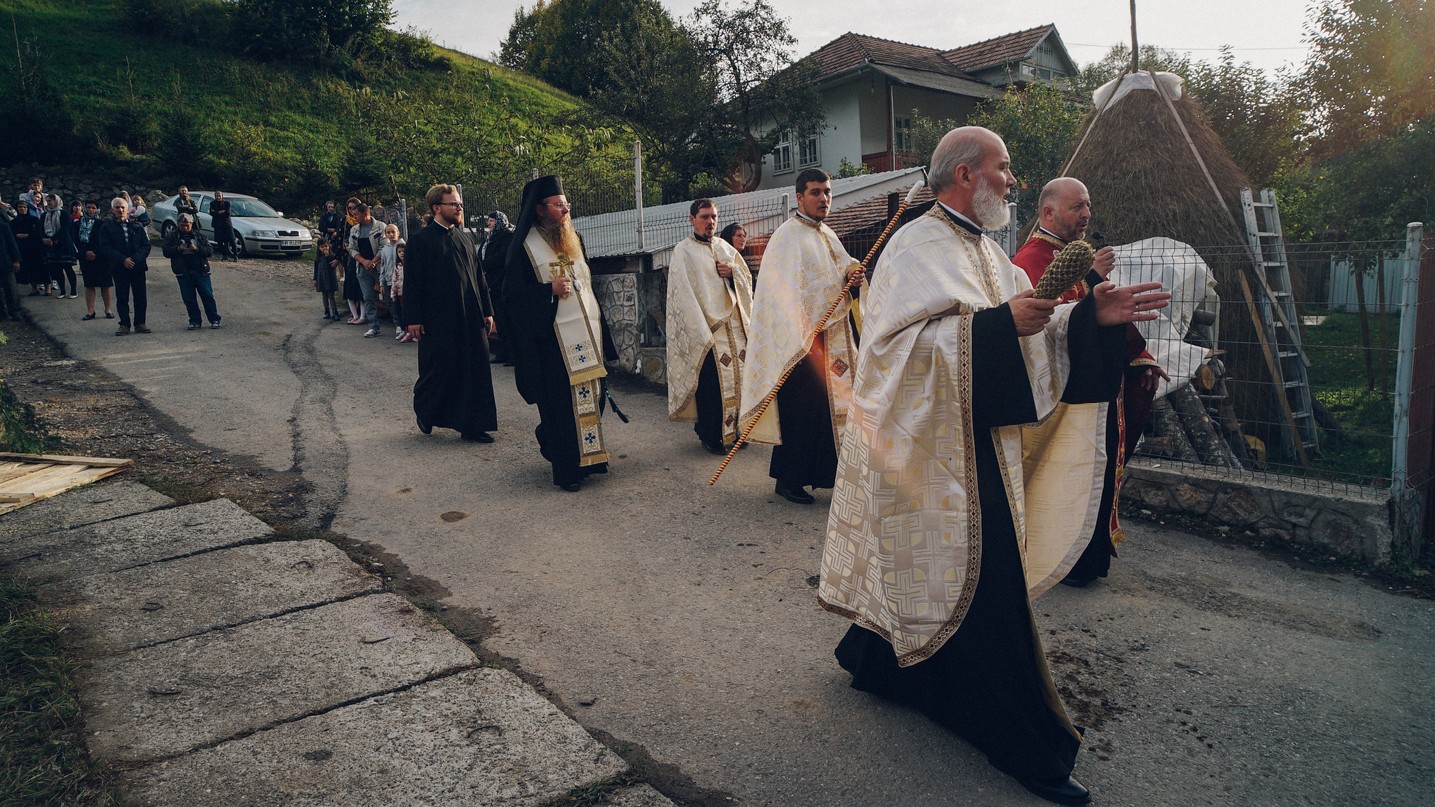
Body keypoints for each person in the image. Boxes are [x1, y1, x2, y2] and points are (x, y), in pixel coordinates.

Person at [818, 126, 1170, 807]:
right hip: (930, 459)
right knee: (986, 590)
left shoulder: (988, 251)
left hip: (979, 445)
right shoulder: (912, 247)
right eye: (1003, 169)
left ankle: (879, 661)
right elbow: (888, 360)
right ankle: (1026, 746)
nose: (1012, 181)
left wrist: (1084, 317)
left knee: (941, 580)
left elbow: (1032, 326)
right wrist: (993, 326)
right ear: (963, 176)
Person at [1012, 177, 1169, 588]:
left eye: (1088, 206)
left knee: (1091, 474)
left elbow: (1109, 314)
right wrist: (1090, 277)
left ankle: (1086, 554)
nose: (1085, 215)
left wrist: (1141, 359)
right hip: (1063, 400)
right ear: (1048, 213)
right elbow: (1048, 321)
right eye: (1076, 207)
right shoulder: (1030, 258)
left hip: (1098, 391)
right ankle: (1059, 556)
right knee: (1066, 475)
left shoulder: (1075, 256)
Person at [738, 168, 864, 505]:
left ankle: (824, 474)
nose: (823, 198)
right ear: (799, 197)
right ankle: (788, 480)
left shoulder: (826, 233)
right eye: (815, 193)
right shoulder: (787, 237)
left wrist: (853, 274)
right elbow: (786, 295)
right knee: (802, 413)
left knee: (827, 412)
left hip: (829, 340)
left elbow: (838, 270)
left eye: (827, 192)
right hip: (800, 344)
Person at [503, 174, 610, 491]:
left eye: (567, 205)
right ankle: (567, 472)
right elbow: (512, 299)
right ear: (539, 209)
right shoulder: (523, 249)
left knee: (592, 400)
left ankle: (590, 460)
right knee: (562, 409)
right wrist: (546, 290)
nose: (566, 211)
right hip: (551, 345)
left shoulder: (573, 240)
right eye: (559, 205)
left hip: (587, 339)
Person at [404, 184, 498, 443]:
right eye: (453, 204)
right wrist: (413, 318)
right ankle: (425, 410)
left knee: (475, 370)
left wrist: (488, 311)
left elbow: (479, 277)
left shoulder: (465, 237)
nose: (459, 208)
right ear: (437, 208)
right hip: (439, 319)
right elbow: (413, 282)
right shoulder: (420, 241)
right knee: (439, 370)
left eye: (460, 205)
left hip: (471, 317)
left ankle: (473, 425)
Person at [666, 198, 754, 454]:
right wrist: (701, 329)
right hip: (708, 331)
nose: (710, 222)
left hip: (734, 331)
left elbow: (746, 280)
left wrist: (733, 274)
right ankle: (711, 435)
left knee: (739, 382)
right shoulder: (683, 251)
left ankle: (738, 431)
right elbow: (682, 295)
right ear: (692, 219)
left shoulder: (727, 248)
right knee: (712, 387)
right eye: (704, 217)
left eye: (714, 217)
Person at [95, 196, 152, 335]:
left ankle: (140, 323)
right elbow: (105, 247)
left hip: (137, 267)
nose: (120, 210)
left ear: (128, 209)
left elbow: (146, 246)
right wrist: (122, 260)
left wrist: (134, 259)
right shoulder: (107, 228)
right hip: (119, 268)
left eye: (123, 207)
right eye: (117, 207)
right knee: (122, 297)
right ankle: (124, 324)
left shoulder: (137, 227)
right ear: (112, 210)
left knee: (140, 297)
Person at [162, 214, 221, 330]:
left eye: (187, 225)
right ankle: (194, 321)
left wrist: (197, 249)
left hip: (200, 270)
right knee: (189, 298)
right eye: (182, 225)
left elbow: (210, 251)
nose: (185, 228)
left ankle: (214, 319)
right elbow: (166, 251)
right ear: (178, 225)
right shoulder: (172, 236)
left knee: (207, 295)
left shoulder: (199, 236)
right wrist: (178, 249)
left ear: (191, 224)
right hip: (183, 271)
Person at [480, 211, 515, 363]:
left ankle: (512, 354)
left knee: (508, 320)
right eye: (488, 221)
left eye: (492, 221)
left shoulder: (508, 237)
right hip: (491, 284)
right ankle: (502, 352)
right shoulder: (489, 239)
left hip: (503, 283)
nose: (489, 224)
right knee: (499, 320)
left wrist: (484, 265)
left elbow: (502, 257)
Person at [348, 202, 385, 338]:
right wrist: (363, 261)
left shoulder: (380, 227)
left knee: (388, 297)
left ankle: (399, 326)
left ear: (365, 214)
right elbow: (351, 248)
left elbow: (384, 245)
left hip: (380, 267)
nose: (354, 216)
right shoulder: (355, 230)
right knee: (368, 297)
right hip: (363, 268)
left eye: (356, 214)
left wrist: (374, 261)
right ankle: (373, 327)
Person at [74, 200, 113, 320]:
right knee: (89, 285)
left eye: (93, 208)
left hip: (101, 258)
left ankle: (108, 309)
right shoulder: (77, 224)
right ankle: (90, 311)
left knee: (105, 285)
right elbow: (75, 241)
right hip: (85, 258)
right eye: (89, 207)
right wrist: (84, 253)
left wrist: (96, 253)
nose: (91, 210)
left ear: (97, 209)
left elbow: (105, 241)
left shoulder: (102, 224)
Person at [40, 194, 78, 299]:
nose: (49, 203)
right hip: (50, 246)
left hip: (63, 244)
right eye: (47, 201)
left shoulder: (64, 214)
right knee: (56, 269)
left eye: (51, 201)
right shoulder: (44, 215)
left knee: (67, 267)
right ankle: (62, 291)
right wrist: (44, 239)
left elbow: (65, 229)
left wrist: (53, 239)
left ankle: (74, 290)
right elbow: (41, 229)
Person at [10, 200, 45, 296]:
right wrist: (17, 235)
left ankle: (41, 287)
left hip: (33, 247)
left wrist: (27, 235)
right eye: (20, 207)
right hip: (20, 247)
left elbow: (38, 232)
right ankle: (30, 289)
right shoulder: (13, 222)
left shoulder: (34, 220)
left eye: (24, 207)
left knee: (36, 267)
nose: (22, 209)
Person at [378, 223, 403, 338]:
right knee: (391, 303)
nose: (391, 234)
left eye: (393, 232)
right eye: (388, 232)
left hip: (402, 281)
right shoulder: (384, 250)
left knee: (402, 303)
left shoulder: (404, 246)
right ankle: (397, 325)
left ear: (398, 232)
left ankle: (405, 325)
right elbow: (383, 266)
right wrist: (381, 283)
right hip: (389, 281)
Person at [313, 238, 343, 321]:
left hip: (330, 278)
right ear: (319, 248)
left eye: (326, 246)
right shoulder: (318, 258)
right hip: (321, 278)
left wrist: (327, 256)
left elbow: (332, 265)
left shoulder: (332, 256)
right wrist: (315, 279)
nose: (324, 248)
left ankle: (335, 312)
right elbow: (316, 269)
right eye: (322, 247)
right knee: (324, 295)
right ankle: (326, 311)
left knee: (331, 295)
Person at [209, 190, 235, 261]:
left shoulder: (227, 203)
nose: (218, 197)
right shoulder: (212, 203)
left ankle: (235, 256)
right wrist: (220, 212)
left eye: (219, 195)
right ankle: (224, 255)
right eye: (217, 196)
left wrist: (217, 212)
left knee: (231, 240)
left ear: (222, 196)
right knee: (219, 241)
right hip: (217, 225)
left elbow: (227, 213)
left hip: (227, 225)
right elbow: (211, 213)